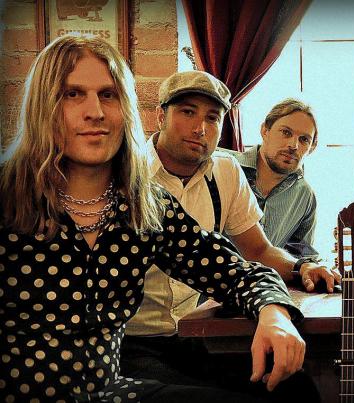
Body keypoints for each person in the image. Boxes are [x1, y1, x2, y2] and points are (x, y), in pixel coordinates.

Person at [0, 35, 307, 402]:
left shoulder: (145, 204)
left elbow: (235, 270)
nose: (95, 112)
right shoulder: (7, 196)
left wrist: (274, 312)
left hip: (111, 391)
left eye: (108, 95)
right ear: (43, 106)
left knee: (292, 390)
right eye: (72, 94)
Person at [120, 71, 338, 400]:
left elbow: (254, 254)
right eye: (187, 112)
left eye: (212, 117)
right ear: (160, 117)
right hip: (127, 345)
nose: (200, 128)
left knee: (295, 387)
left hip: (190, 337)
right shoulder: (127, 177)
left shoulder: (225, 172)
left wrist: (294, 277)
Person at [222, 98, 321, 258]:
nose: (293, 145)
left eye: (304, 139)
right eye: (286, 132)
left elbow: (301, 258)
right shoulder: (223, 166)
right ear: (265, 131)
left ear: (311, 148)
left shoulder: (305, 196)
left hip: (266, 274)